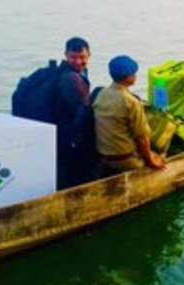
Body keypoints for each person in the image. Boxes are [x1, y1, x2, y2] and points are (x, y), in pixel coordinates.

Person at [93, 55, 165, 174]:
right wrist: (151, 161)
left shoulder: (102, 94)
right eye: (134, 73)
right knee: (160, 157)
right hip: (125, 160)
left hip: (104, 156)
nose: (135, 76)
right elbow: (142, 138)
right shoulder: (131, 102)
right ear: (129, 77)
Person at [55, 37, 97, 189]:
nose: (78, 62)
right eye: (73, 57)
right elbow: (81, 112)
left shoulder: (76, 72)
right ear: (66, 55)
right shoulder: (71, 79)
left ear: (89, 55)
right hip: (68, 134)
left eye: (82, 57)